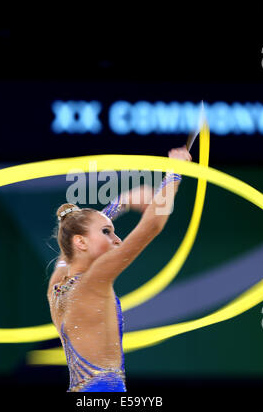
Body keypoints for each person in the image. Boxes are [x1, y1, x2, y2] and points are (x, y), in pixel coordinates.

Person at [47, 146, 192, 392]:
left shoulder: (57, 287)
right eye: (107, 233)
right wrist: (174, 172)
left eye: (113, 232)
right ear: (80, 242)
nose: (118, 240)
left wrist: (119, 204)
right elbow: (152, 225)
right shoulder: (94, 279)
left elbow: (70, 243)